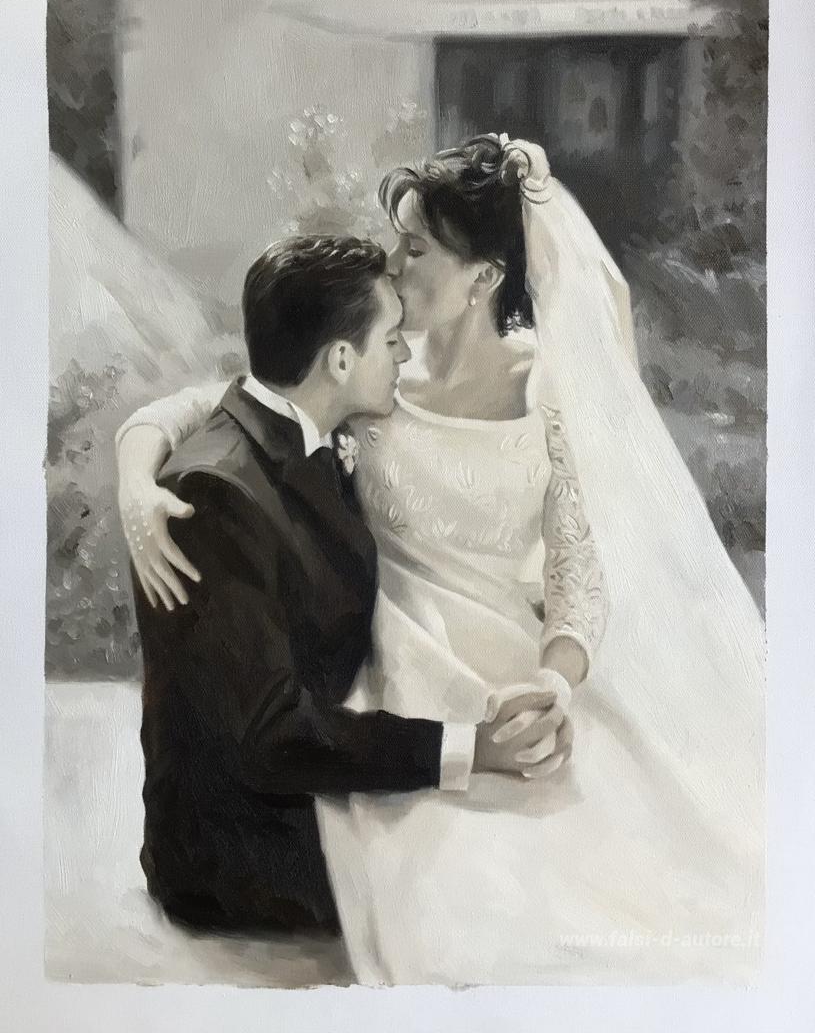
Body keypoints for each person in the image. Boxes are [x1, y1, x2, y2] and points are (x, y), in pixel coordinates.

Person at [117, 135, 765, 984]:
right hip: (393, 664)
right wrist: (135, 481)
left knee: (622, 869)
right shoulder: (373, 365)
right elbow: (228, 403)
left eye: (416, 248)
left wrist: (556, 679)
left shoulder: (548, 390)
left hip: (510, 656)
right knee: (458, 884)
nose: (393, 264)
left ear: (482, 278)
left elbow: (576, 575)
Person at [128, 233, 565, 935]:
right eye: (390, 341)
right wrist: (466, 747)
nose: (404, 357)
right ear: (338, 359)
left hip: (316, 775)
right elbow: (268, 737)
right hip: (246, 847)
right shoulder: (215, 496)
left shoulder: (307, 427)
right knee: (509, 882)